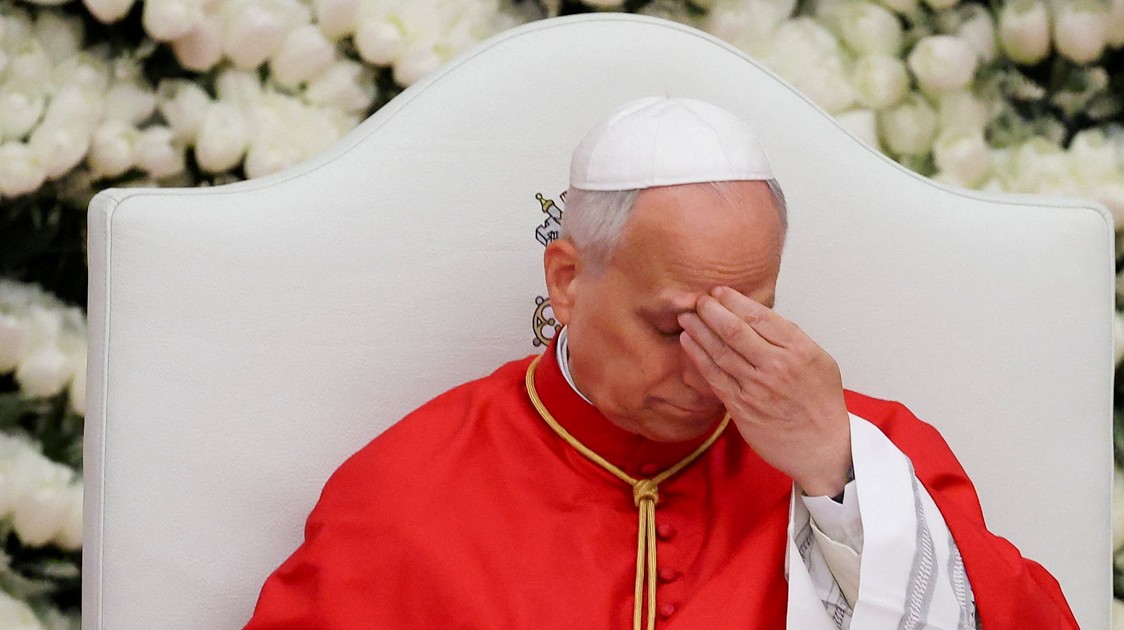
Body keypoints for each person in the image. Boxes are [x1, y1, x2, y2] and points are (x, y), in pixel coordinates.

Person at [244, 97, 1080, 629]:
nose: (710, 374)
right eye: (675, 328)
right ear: (567, 281)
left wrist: (839, 481)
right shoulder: (408, 491)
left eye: (745, 323)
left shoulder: (867, 453)